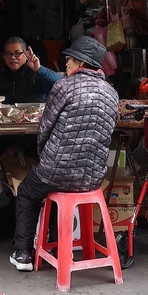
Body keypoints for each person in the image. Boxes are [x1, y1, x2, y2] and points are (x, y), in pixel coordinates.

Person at [9, 35, 119, 272]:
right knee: (52, 188)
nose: (66, 64)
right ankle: (56, 246)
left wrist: (45, 158)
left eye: (69, 59)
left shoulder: (64, 86)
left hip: (56, 170)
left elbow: (45, 128)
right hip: (93, 178)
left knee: (28, 193)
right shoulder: (112, 93)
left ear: (81, 63)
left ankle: (23, 255)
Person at [0, 37, 61, 172]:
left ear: (26, 54)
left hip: (35, 132)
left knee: (44, 160)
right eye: (8, 53)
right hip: (6, 132)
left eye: (17, 53)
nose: (13, 57)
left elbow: (61, 85)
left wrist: (39, 69)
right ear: (4, 56)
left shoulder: (37, 74)